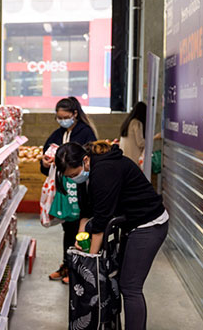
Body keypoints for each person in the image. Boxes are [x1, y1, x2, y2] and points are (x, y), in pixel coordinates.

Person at [55, 141, 169, 330]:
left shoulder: (105, 170)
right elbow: (85, 212)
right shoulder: (87, 173)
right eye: (70, 177)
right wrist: (80, 237)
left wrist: (90, 258)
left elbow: (100, 221)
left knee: (130, 287)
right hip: (131, 225)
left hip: (149, 224)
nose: (75, 179)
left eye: (75, 174)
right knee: (120, 281)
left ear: (85, 160)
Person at [41, 96, 97, 284]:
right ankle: (67, 264)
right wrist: (45, 162)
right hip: (63, 190)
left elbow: (89, 159)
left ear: (75, 114)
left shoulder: (86, 132)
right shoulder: (58, 134)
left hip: (81, 190)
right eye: (59, 117)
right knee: (68, 227)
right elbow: (46, 155)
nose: (62, 120)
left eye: (65, 116)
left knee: (79, 228)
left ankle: (78, 268)